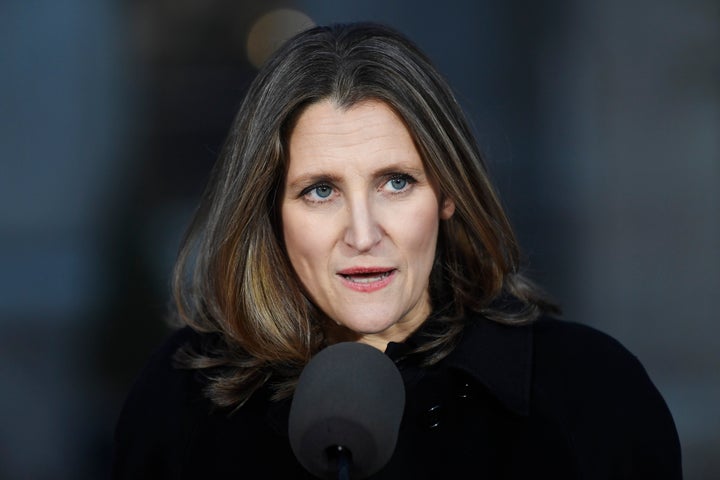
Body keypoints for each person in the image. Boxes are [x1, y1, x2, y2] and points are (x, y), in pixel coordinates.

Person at [111, 22, 682, 479]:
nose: (362, 233)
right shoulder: (185, 399)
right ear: (269, 211)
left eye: (396, 182)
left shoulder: (591, 393)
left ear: (448, 193)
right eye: (321, 190)